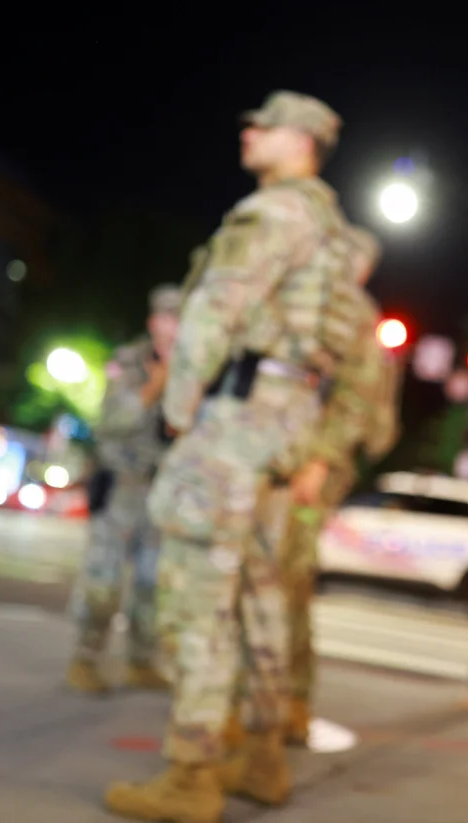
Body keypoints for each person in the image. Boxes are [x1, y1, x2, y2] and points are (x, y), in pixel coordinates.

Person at [105, 90, 362, 823]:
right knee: (257, 593)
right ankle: (262, 755)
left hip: (237, 418)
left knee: (195, 591)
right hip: (285, 423)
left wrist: (179, 409)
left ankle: (190, 774)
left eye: (263, 124)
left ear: (302, 139)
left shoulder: (274, 211)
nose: (247, 130)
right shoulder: (330, 227)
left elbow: (214, 309)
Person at [277, 224, 401, 747]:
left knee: (288, 580)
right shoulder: (325, 306)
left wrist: (320, 464)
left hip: (314, 466)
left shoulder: (353, 314)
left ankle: (293, 703)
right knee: (275, 578)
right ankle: (276, 700)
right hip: (295, 457)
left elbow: (355, 399)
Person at [66, 285, 183, 695]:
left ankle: (140, 660)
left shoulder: (196, 370)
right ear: (154, 323)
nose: (175, 328)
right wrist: (155, 387)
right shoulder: (128, 362)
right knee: (104, 578)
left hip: (163, 491)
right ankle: (85, 658)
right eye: (168, 318)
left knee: (153, 583)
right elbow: (110, 422)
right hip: (122, 488)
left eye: (182, 319)